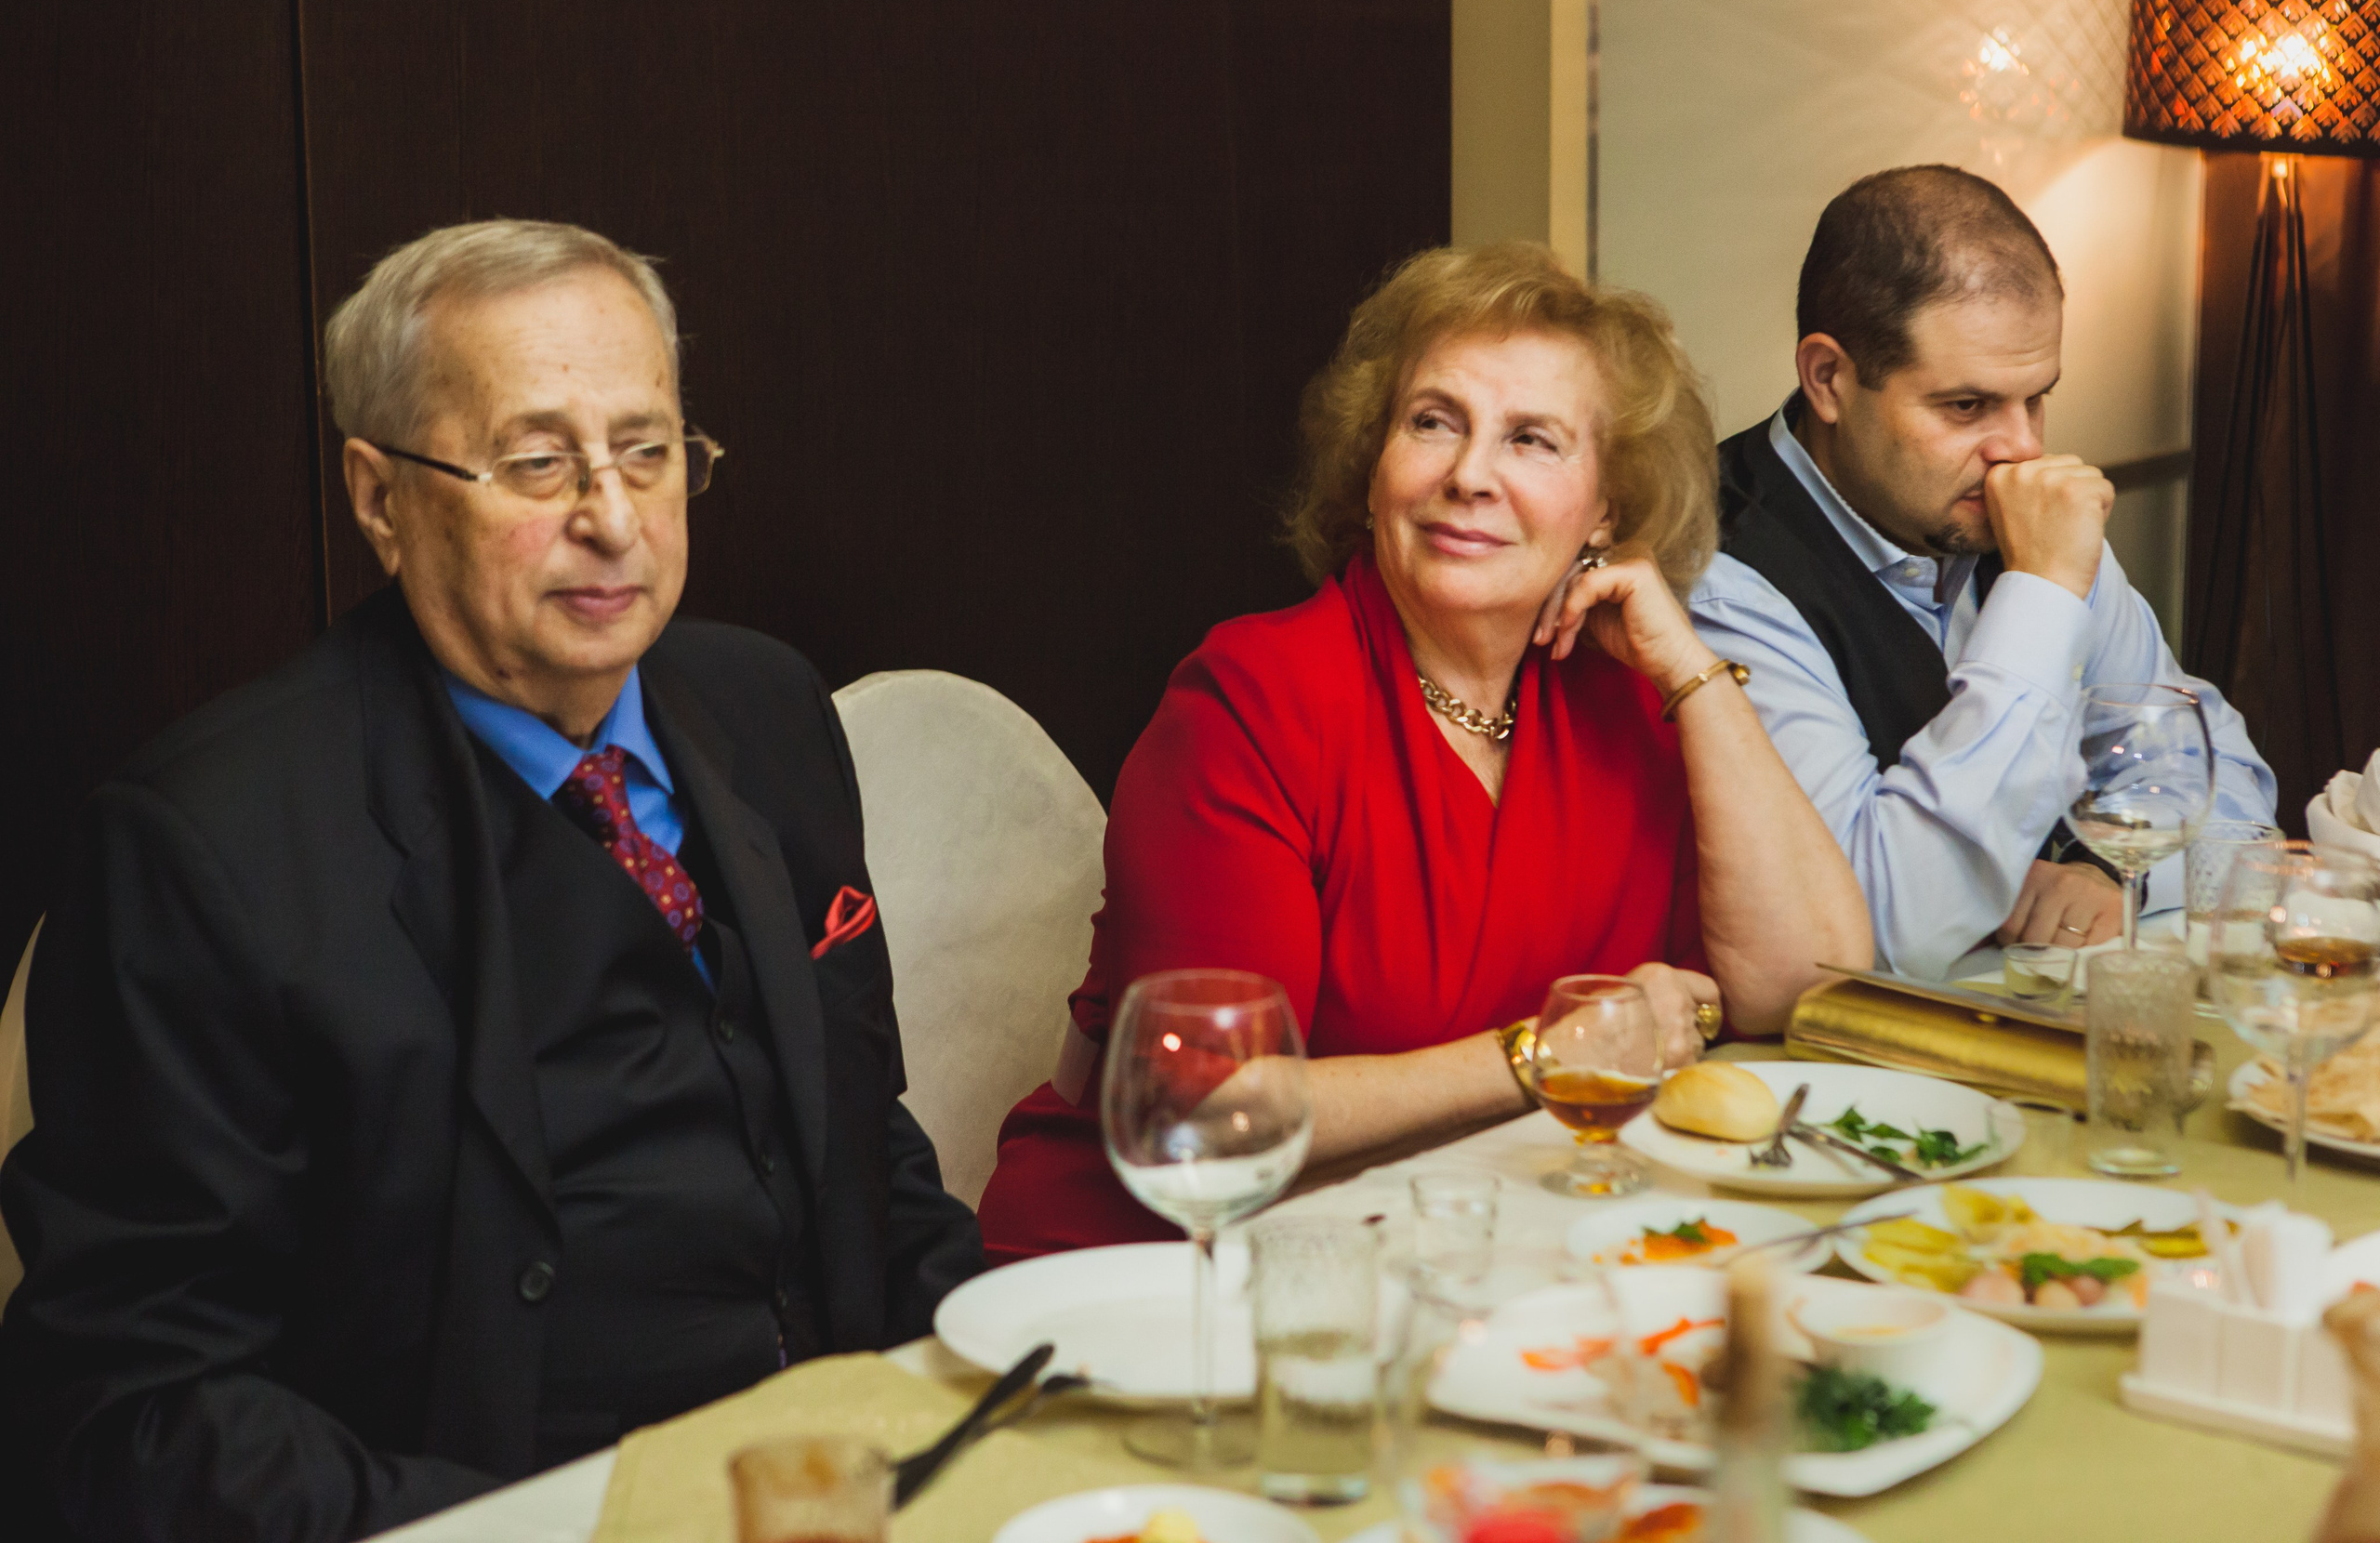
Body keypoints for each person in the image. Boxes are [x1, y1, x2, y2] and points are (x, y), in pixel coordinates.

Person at [0, 220, 983, 1542]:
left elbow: (865, 1152)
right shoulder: (204, 845)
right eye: (537, 463)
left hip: (852, 1491)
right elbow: (135, 1408)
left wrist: (1019, 1376)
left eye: (648, 451)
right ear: (379, 497)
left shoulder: (770, 710)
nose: (614, 518)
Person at [974, 244, 1871, 1261]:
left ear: (1606, 509)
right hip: (1180, 1258)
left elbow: (1809, 986)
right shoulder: (1249, 701)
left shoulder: (1627, 705)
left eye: (1531, 440)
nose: (1469, 476)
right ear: (1372, 471)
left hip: (1485, 1239)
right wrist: (1549, 1057)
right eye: (1433, 423)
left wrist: (1692, 676)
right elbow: (1212, 1115)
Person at [1543, 166, 2277, 978]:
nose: (2021, 450)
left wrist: (2116, 877)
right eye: (1966, 407)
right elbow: (1876, 927)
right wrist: (2038, 599)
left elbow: (2227, 794)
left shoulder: (2020, 509)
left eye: (2036, 399)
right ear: (1829, 379)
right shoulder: (1716, 573)